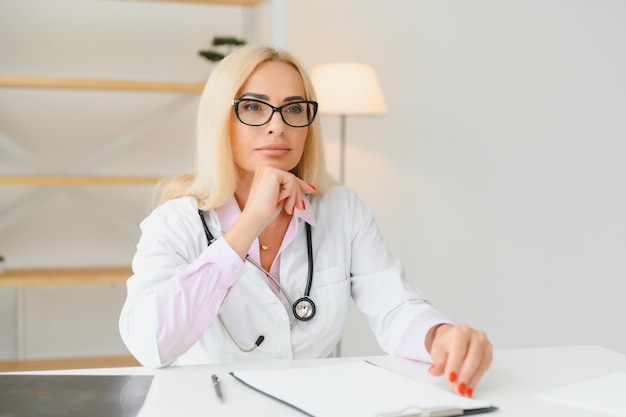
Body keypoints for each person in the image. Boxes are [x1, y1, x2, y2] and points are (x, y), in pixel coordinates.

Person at [119, 45, 492, 397]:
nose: (277, 126)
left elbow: (394, 307)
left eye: (294, 109)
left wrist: (439, 337)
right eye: (253, 107)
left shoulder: (342, 209)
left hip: (314, 404)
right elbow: (150, 343)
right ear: (221, 121)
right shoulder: (175, 222)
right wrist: (250, 221)